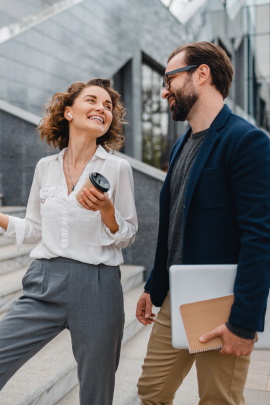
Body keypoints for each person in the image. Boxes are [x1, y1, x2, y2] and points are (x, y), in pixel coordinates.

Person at [136, 41, 270, 405]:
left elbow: (260, 238)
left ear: (201, 73)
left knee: (217, 399)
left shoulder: (247, 141)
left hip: (220, 305)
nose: (165, 91)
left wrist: (244, 323)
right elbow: (173, 227)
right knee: (151, 391)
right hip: (177, 297)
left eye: (169, 79)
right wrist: (154, 286)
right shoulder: (181, 146)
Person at [0, 78, 138, 405]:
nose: (101, 109)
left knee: (96, 390)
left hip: (98, 287)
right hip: (44, 282)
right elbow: (35, 228)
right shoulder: (44, 167)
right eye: (92, 101)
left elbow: (128, 233)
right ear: (69, 112)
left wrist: (106, 209)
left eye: (108, 107)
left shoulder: (117, 169)